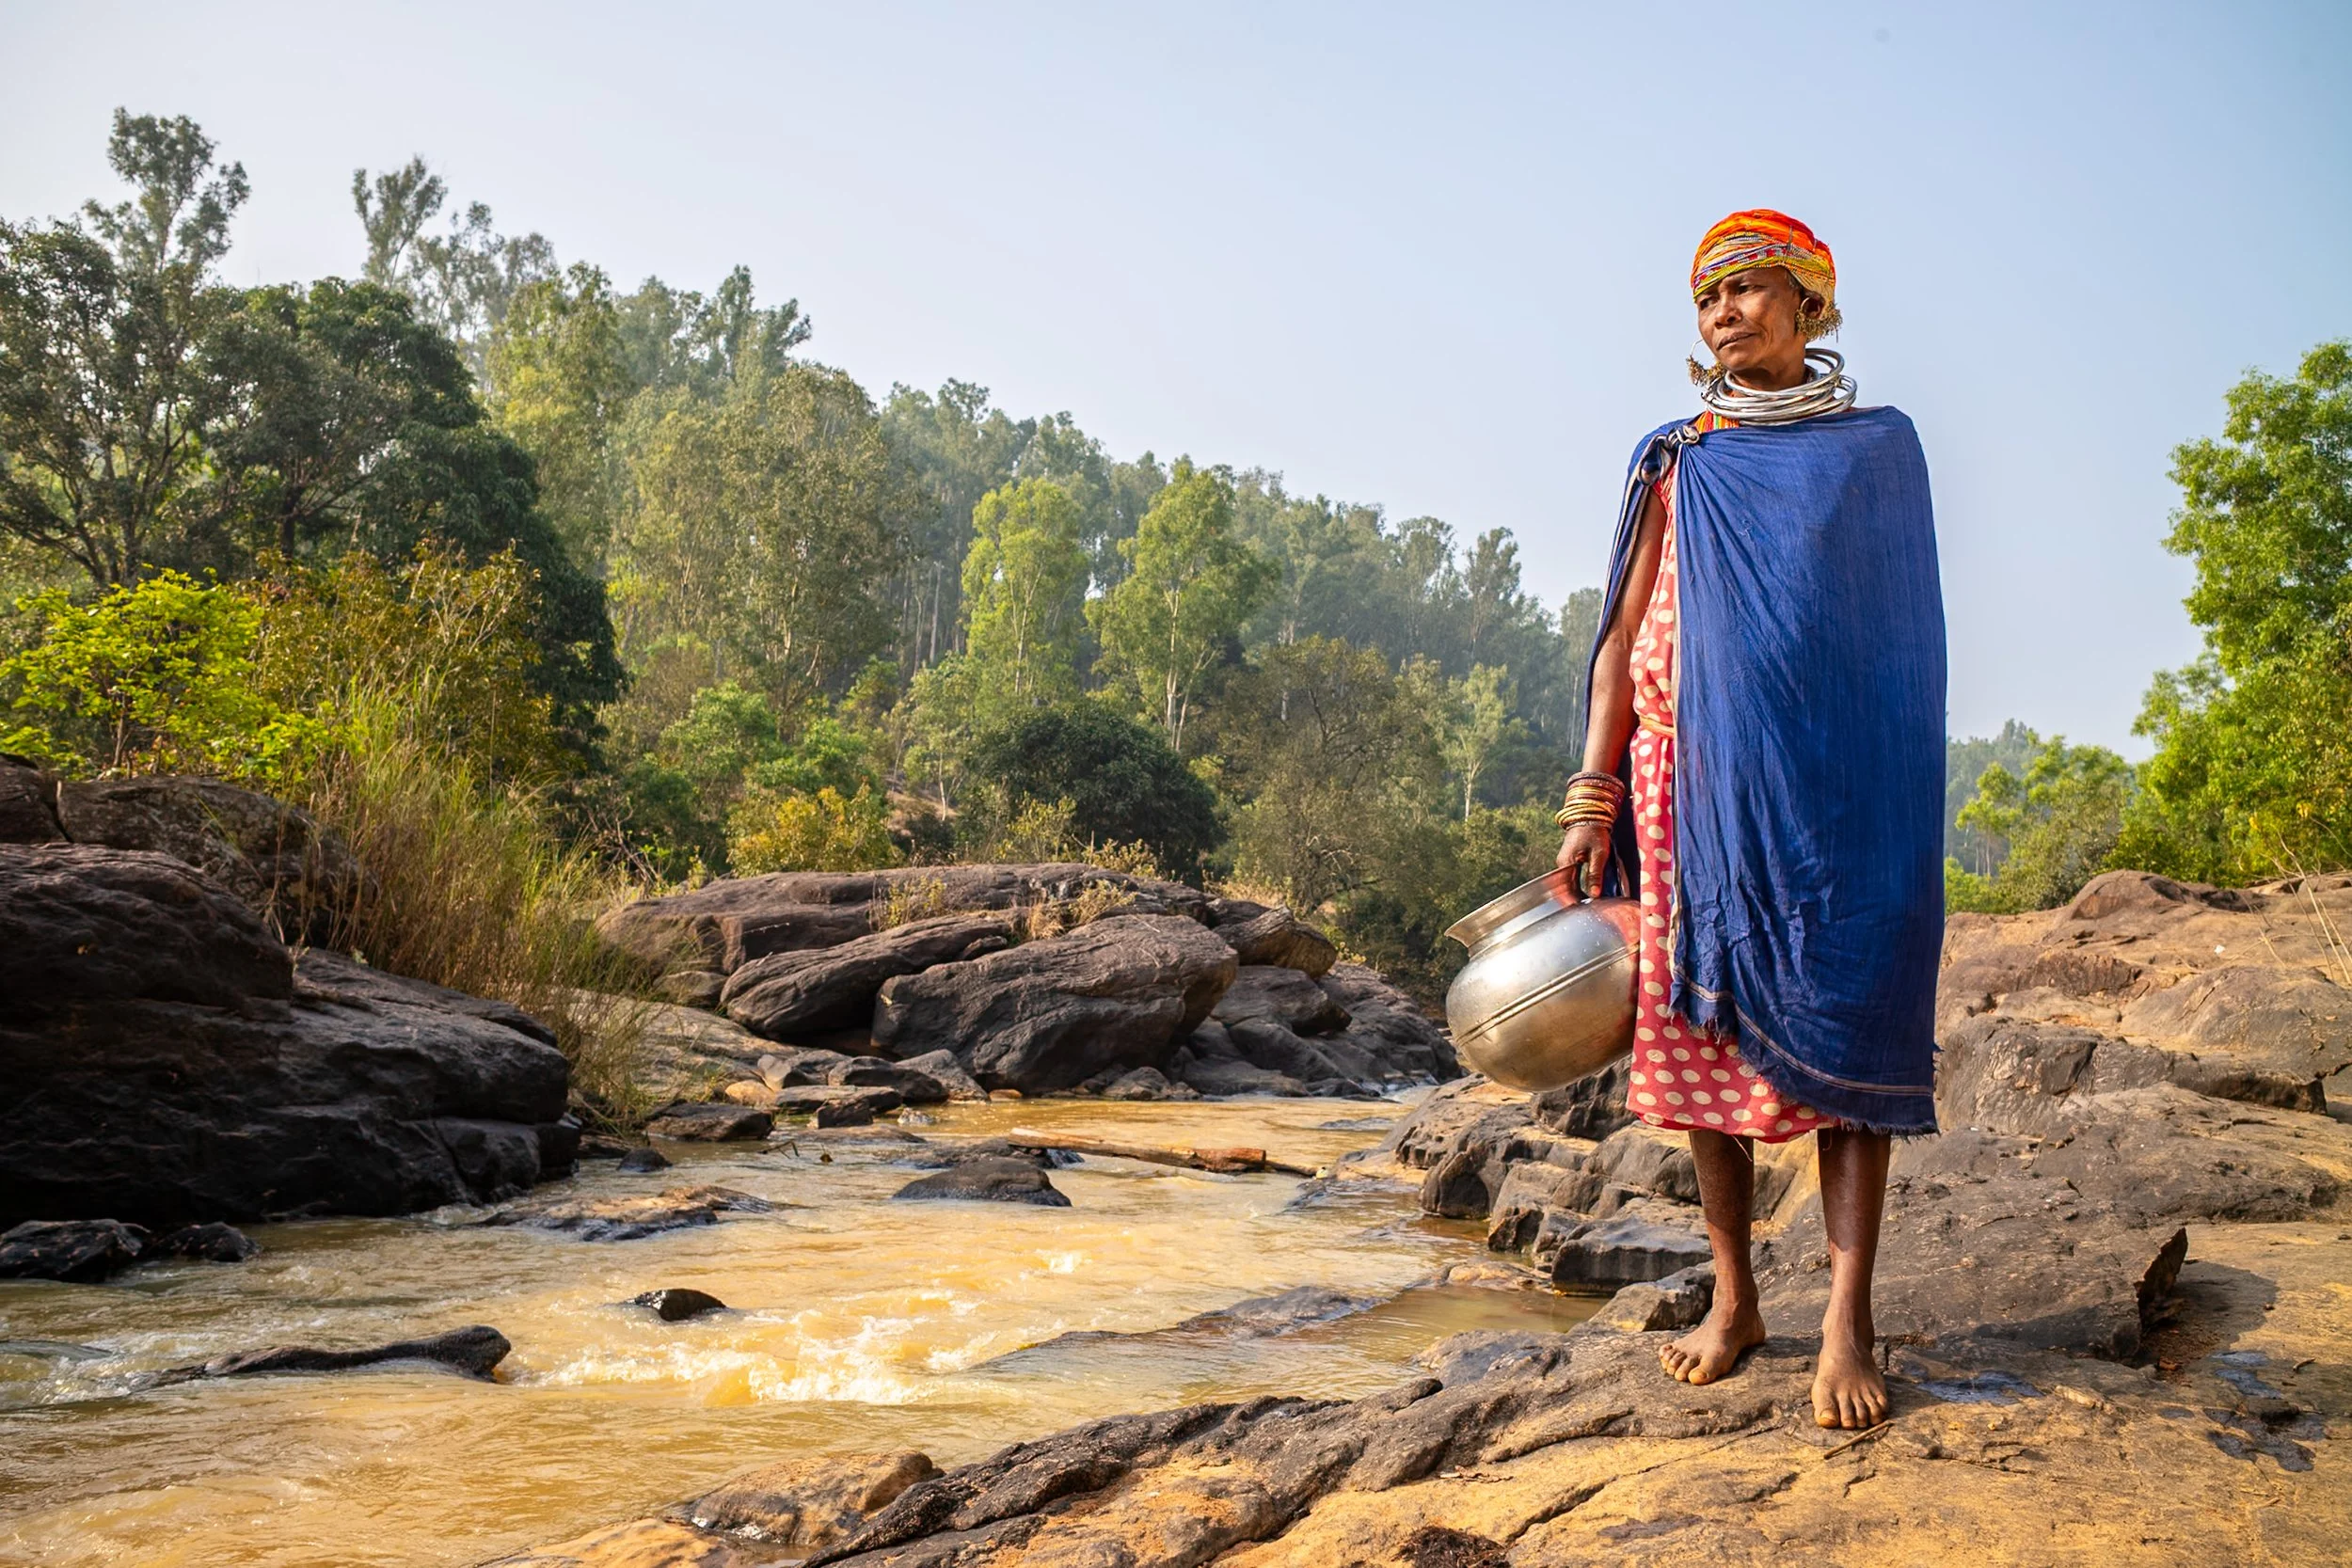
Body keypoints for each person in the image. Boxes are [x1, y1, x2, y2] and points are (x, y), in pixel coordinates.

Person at [1553, 210, 1946, 1432]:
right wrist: (1592, 790)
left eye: (1749, 289)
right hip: (1685, 795)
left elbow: (1898, 644)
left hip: (1838, 802)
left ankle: (1848, 1318)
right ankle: (1735, 1300)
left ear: (1809, 305)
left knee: (1850, 1041)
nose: (1725, 313)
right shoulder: (1680, 456)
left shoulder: (1876, 453)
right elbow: (1620, 638)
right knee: (1692, 1049)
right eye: (1707, 298)